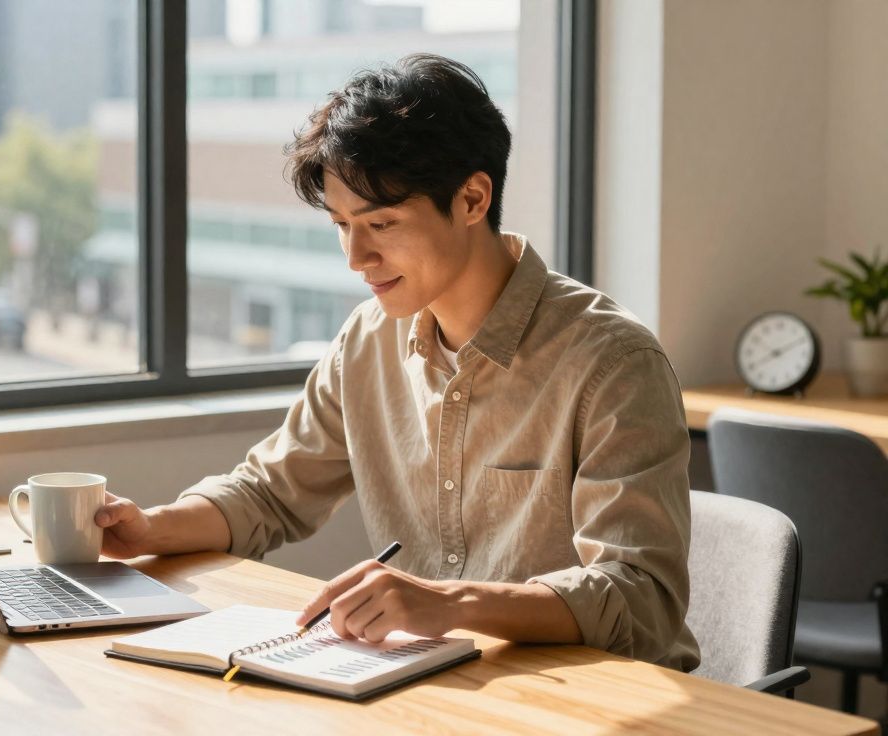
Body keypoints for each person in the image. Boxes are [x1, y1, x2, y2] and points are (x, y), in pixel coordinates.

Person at [94, 54, 699, 671]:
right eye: (341, 224)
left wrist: (451, 602)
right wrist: (149, 529)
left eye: (380, 223)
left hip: (599, 701)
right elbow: (270, 494)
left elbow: (640, 598)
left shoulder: (613, 362)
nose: (356, 257)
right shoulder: (369, 339)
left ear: (471, 198)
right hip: (435, 686)